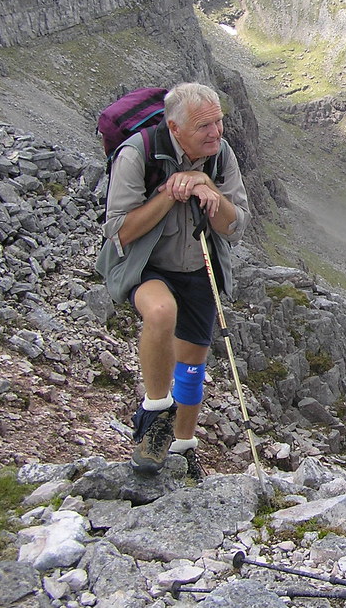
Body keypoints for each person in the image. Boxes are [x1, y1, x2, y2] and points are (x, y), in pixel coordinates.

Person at [101, 82, 250, 476]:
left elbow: (237, 226)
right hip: (146, 265)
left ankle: (183, 448)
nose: (215, 133)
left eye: (218, 122)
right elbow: (119, 231)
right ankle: (154, 419)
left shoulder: (221, 155)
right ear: (174, 127)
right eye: (204, 126)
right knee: (161, 312)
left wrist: (209, 189)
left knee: (192, 364)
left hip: (199, 266)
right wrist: (170, 192)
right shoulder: (137, 153)